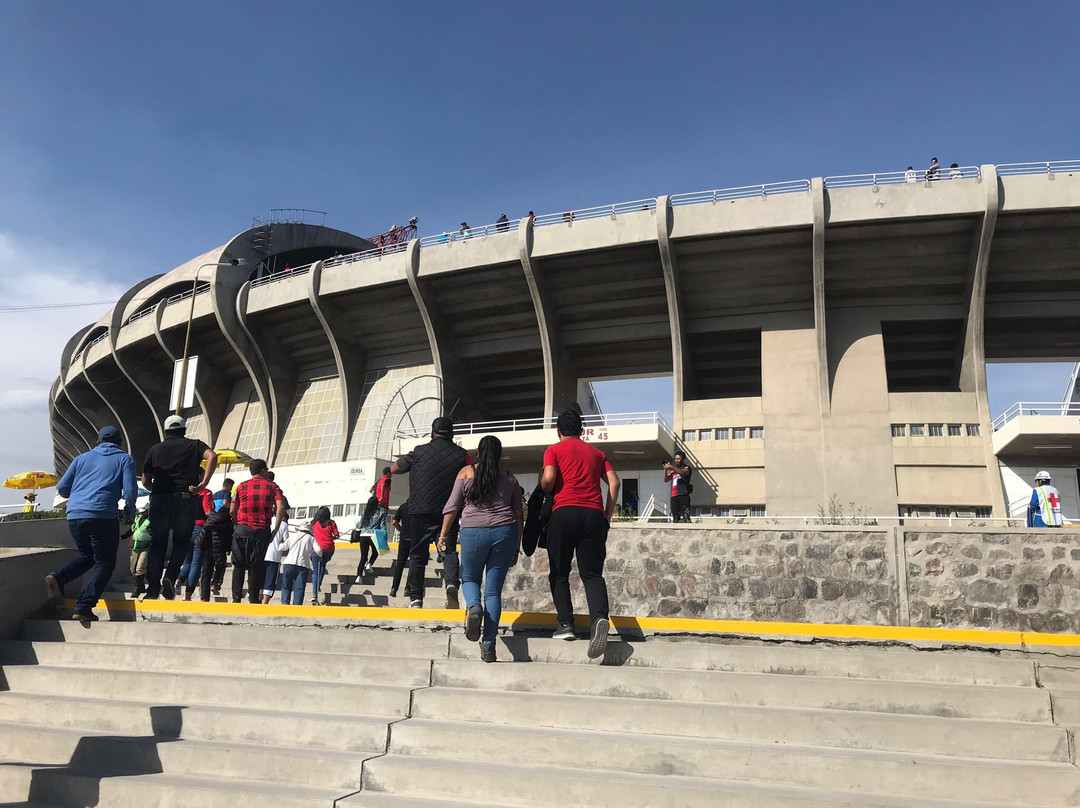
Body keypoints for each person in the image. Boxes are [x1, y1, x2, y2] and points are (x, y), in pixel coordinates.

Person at [541, 408, 620, 659]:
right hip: (594, 515)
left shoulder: (553, 450)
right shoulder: (597, 453)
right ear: (582, 431)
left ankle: (566, 625)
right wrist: (606, 514)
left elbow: (549, 479)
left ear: (558, 431)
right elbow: (615, 482)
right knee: (592, 574)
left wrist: (545, 487)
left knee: (559, 570)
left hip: (564, 513)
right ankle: (599, 619)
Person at [441, 435, 523, 663]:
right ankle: (488, 645)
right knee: (494, 592)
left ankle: (474, 608)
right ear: (499, 454)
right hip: (504, 533)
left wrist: (442, 535)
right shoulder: (509, 477)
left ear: (478, 453)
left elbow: (452, 507)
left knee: (469, 579)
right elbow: (518, 514)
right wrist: (516, 546)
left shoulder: (466, 473)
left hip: (472, 533)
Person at [45, 425, 138, 624]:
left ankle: (59, 577)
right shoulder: (125, 459)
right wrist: (130, 513)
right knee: (105, 564)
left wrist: (80, 494)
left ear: (97, 442)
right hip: (102, 517)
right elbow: (130, 493)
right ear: (119, 443)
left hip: (75, 515)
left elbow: (62, 488)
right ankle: (84, 606)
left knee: (87, 556)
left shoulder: (81, 458)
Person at [391, 416, 470, 609]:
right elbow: (470, 474)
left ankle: (416, 598)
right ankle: (451, 584)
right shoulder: (462, 455)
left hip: (419, 510)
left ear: (432, 432)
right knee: (449, 551)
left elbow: (394, 468)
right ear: (452, 434)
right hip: (448, 512)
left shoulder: (418, 452)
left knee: (418, 554)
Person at [141, 415, 217, 600]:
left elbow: (145, 480)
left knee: (157, 544)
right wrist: (203, 484)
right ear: (184, 430)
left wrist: (157, 490)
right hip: (184, 499)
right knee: (181, 542)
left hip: (159, 500)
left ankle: (152, 588)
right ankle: (170, 576)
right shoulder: (195, 445)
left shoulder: (155, 449)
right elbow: (212, 456)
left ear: (166, 431)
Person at [229, 458, 284, 603]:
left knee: (239, 565)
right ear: (262, 470)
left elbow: (232, 510)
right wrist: (275, 529)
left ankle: (236, 598)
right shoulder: (273, 487)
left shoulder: (240, 487)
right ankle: (253, 599)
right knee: (256, 566)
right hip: (261, 531)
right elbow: (281, 507)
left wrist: (237, 525)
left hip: (242, 529)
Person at [178, 485, 215, 600]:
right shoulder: (206, 493)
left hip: (185, 528)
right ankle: (188, 595)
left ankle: (177, 580)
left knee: (187, 562)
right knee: (196, 564)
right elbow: (208, 511)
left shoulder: (184, 493)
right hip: (200, 529)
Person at [198, 504, 233, 601]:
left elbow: (204, 533)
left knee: (206, 572)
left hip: (207, 548)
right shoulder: (227, 523)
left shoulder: (211, 519)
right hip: (220, 549)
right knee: (220, 567)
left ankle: (204, 597)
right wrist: (228, 549)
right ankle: (215, 584)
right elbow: (230, 538)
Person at [280, 518, 315, 605]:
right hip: (303, 565)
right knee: (299, 588)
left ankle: (285, 603)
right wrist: (320, 556)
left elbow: (282, 547)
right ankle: (297, 605)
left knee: (286, 586)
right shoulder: (311, 538)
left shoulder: (292, 536)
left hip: (289, 563)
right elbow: (319, 550)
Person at [309, 506, 339, 605]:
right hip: (329, 548)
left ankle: (314, 593)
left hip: (316, 549)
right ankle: (318, 585)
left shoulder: (314, 523)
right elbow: (336, 535)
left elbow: (310, 534)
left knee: (315, 571)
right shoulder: (331, 523)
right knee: (322, 566)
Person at [126, 503, 152, 598]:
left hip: (145, 546)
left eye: (144, 511)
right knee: (132, 569)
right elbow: (132, 530)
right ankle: (140, 585)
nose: (142, 513)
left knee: (140, 568)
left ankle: (137, 589)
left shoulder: (151, 520)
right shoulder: (137, 518)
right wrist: (122, 537)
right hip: (135, 546)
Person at [353, 496, 381, 583]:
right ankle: (370, 564)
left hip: (363, 536)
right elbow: (381, 524)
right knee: (376, 551)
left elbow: (360, 526)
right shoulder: (379, 513)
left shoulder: (364, 513)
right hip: (373, 535)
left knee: (363, 557)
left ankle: (359, 576)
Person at [387, 500, 411, 598]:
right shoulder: (417, 507)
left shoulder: (402, 507)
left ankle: (394, 588)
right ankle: (408, 588)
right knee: (413, 563)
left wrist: (400, 529)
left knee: (400, 563)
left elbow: (394, 522)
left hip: (404, 537)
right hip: (415, 538)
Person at [663, 452, 693, 523]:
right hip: (674, 495)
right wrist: (665, 469)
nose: (676, 460)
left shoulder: (686, 468)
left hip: (683, 494)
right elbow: (666, 479)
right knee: (675, 517)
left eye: (678, 459)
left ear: (683, 459)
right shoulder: (674, 471)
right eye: (675, 459)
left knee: (685, 516)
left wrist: (671, 466)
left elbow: (683, 473)